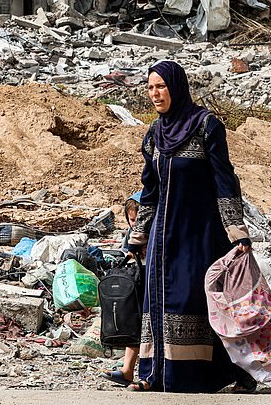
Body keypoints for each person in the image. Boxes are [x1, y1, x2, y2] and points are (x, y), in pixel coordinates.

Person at [126, 60, 256, 393]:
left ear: (177, 87)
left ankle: (214, 375)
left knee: (193, 301)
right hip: (162, 239)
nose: (155, 94)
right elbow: (150, 190)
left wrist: (236, 232)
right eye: (151, 87)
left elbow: (225, 181)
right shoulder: (155, 134)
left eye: (162, 87)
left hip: (199, 234)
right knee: (158, 302)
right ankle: (155, 375)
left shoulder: (206, 126)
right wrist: (138, 234)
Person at [100, 191, 144, 386]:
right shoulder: (132, 233)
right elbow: (129, 252)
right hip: (139, 283)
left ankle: (143, 371)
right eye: (131, 220)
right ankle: (127, 370)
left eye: (137, 219)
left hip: (155, 285)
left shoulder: (160, 232)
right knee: (133, 323)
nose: (134, 224)